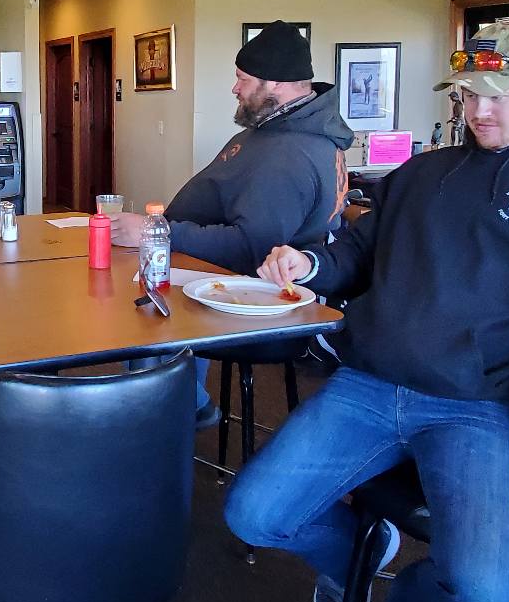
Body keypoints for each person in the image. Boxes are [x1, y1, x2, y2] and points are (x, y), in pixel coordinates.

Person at [226, 20, 509, 602]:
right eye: (467, 95)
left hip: (478, 406)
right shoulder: (423, 173)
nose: (478, 112)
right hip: (369, 385)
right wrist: (309, 263)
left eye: (496, 96)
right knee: (254, 515)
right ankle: (358, 555)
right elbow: (357, 251)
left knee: (487, 601)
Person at [113, 21, 353, 425]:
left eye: (243, 78)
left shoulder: (290, 154)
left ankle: (171, 413)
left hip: (256, 295)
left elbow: (250, 248)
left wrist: (159, 232)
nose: (234, 88)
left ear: (275, 83)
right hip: (216, 272)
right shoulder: (276, 130)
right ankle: (177, 403)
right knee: (145, 286)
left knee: (145, 305)